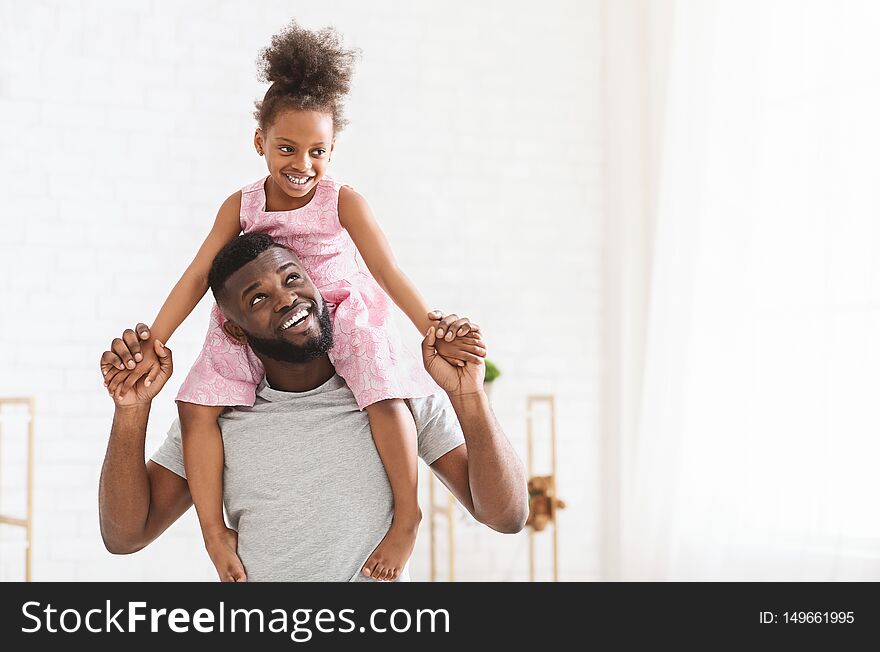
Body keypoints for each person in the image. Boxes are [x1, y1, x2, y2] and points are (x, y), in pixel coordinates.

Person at [105, 21, 479, 582]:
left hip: (337, 311)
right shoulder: (241, 203)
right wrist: (155, 340)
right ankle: (213, 530)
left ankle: (405, 516)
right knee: (197, 404)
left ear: (333, 151)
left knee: (383, 392)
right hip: (261, 319)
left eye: (317, 152)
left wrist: (430, 324)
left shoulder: (343, 200)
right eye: (286, 148)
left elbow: (385, 268)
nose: (302, 165)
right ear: (259, 143)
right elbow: (199, 273)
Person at [99, 234, 528, 581]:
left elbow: (507, 516)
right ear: (235, 330)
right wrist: (131, 411)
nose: (287, 299)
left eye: (292, 279)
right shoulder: (218, 417)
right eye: (258, 299)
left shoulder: (391, 389)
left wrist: (467, 395)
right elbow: (125, 536)